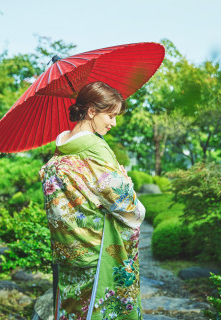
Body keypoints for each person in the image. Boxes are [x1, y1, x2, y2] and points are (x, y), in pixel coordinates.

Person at [39, 81, 146, 320]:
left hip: (69, 247)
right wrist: (129, 190)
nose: (113, 123)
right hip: (98, 248)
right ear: (91, 111)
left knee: (73, 307)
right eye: (110, 115)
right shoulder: (95, 147)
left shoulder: (60, 149)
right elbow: (122, 202)